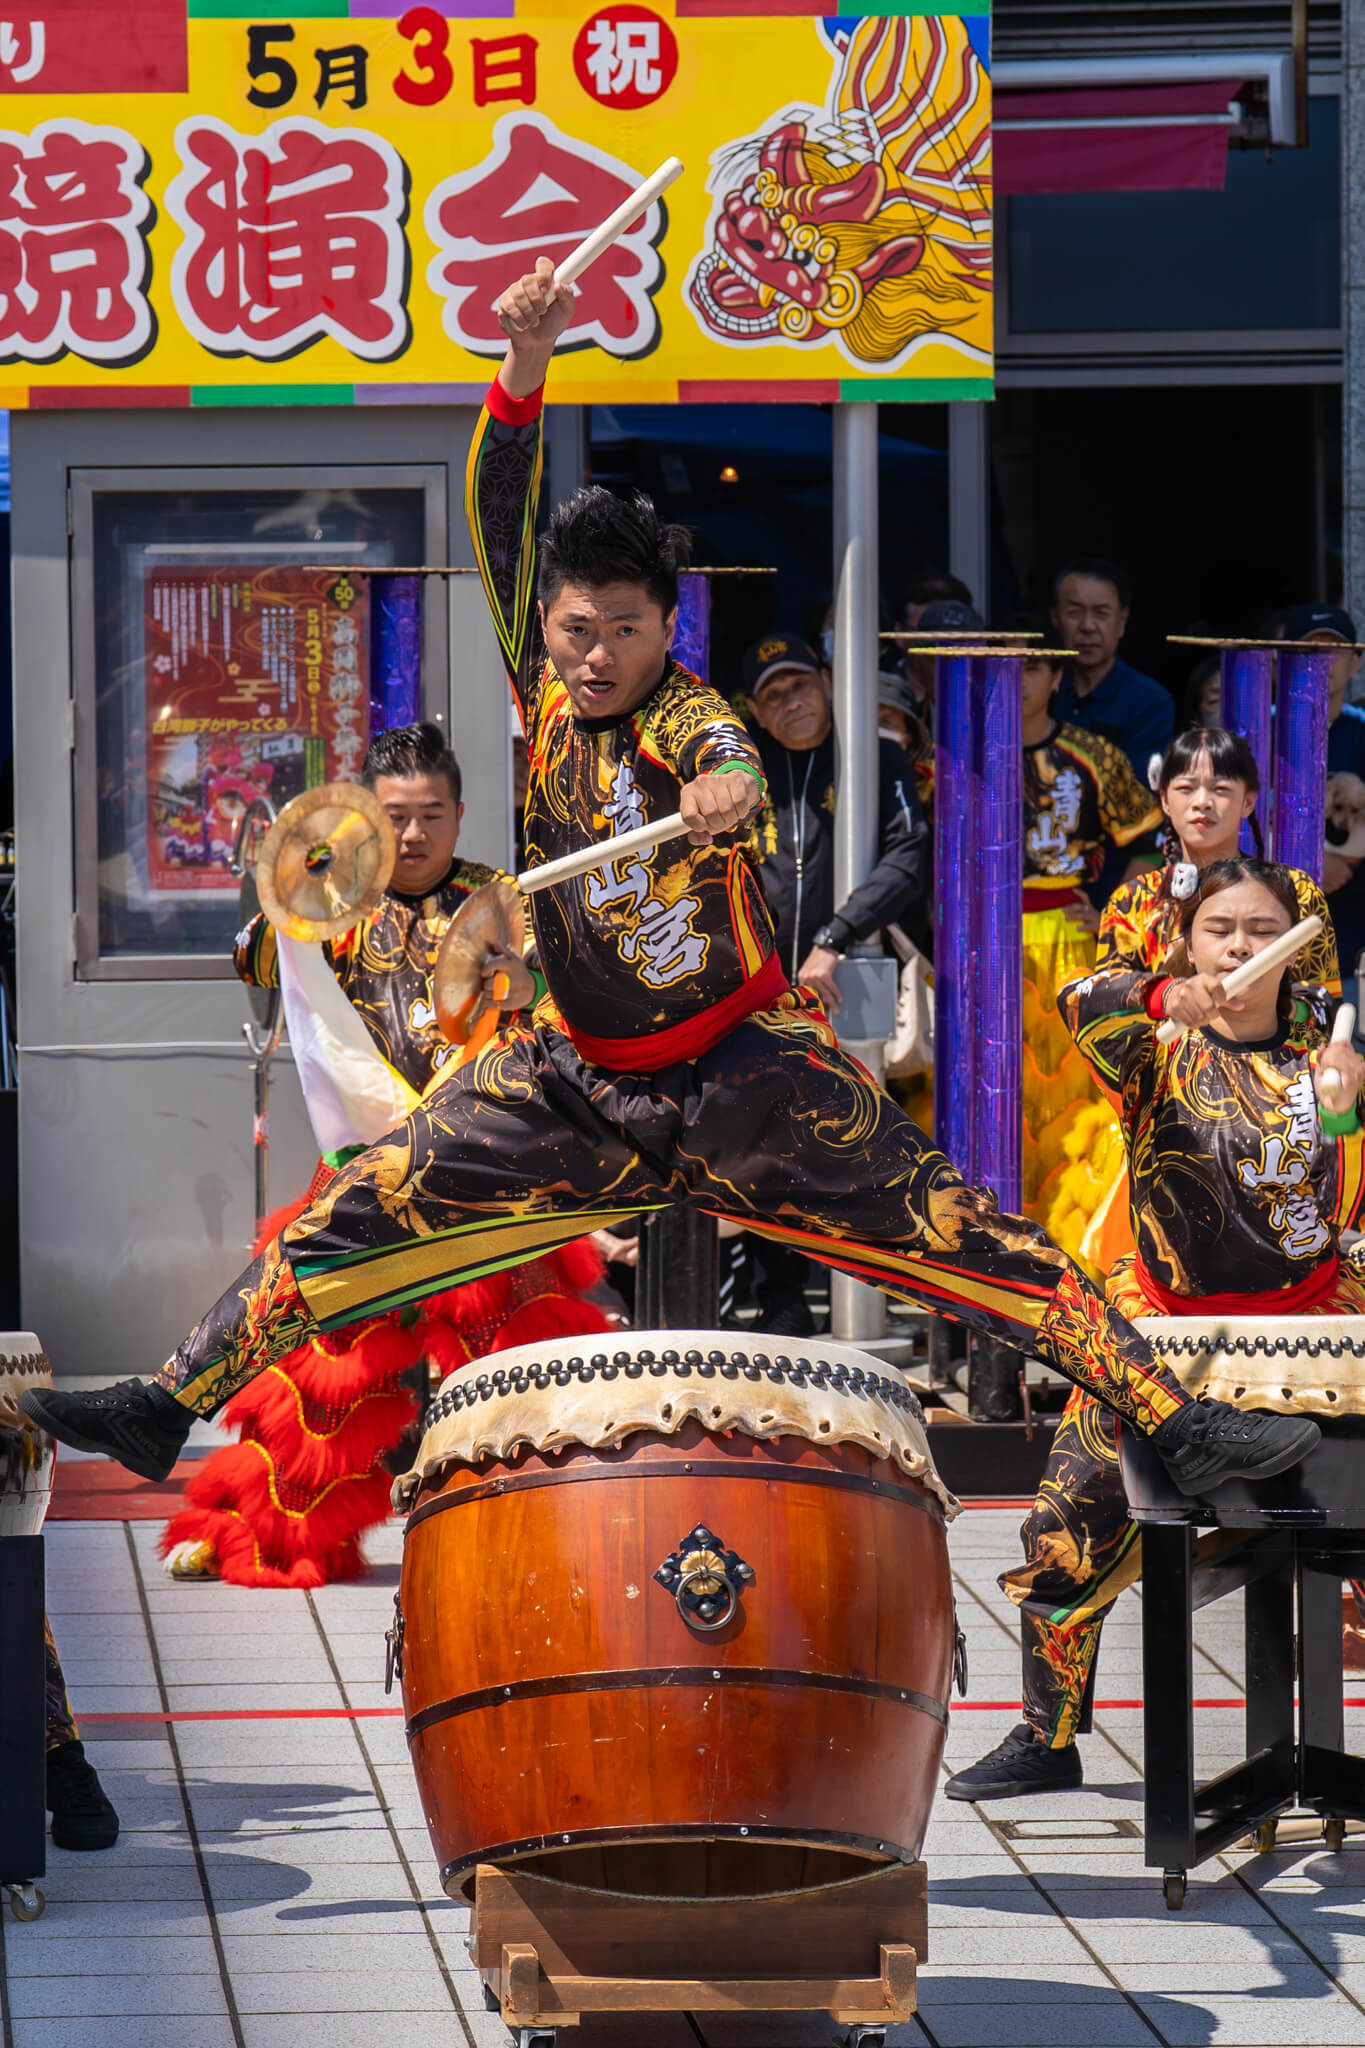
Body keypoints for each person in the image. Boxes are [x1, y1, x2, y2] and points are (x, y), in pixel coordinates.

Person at [23, 257, 1320, 1527]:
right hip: (571, 1074)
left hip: (752, 1075)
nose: (595, 657)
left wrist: (725, 795)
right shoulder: (549, 687)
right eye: (577, 632)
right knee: (360, 1212)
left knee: (973, 1239)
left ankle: (1175, 1419)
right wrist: (524, 367)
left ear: (663, 631)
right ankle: (167, 1396)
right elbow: (500, 495)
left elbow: (722, 765)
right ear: (549, 629)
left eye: (623, 634)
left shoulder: (693, 715)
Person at [946, 859, 1363, 1799]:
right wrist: (1171, 991)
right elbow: (1081, 995)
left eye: (1261, 930)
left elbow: (1347, 1187)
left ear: (1295, 948)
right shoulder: (1152, 1048)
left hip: (1308, 1329)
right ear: (1188, 940)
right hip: (1165, 1337)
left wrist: (1345, 1101)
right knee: (1060, 1524)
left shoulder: (1327, 1051)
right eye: (1220, 929)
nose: (1243, 947)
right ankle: (1044, 1738)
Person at [161, 722, 611, 1587]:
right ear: (369, 815)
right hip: (366, 1172)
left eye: (431, 815)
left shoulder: (505, 900)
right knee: (315, 1367)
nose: (412, 835)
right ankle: (255, 1533)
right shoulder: (335, 900)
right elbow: (252, 958)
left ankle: (556, 1524)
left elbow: (560, 1012)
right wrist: (292, 875)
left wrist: (526, 984)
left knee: (525, 1353)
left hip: (488, 1173)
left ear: (460, 814)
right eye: (395, 816)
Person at [1017, 645, 1160, 1264]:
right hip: (983, 940)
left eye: (1030, 668)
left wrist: (1107, 907)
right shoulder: (952, 756)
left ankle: (1074, 1253)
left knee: (1074, 1100)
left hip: (1067, 935)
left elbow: (1150, 839)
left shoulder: (1090, 753)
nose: (1016, 682)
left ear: (1055, 677)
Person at [741, 629, 929, 1011]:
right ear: (756, 711)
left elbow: (908, 857)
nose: (791, 702)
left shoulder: (877, 755)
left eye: (800, 685)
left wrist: (835, 936)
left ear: (826, 682)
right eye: (773, 695)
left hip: (849, 979)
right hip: (757, 990)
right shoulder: (742, 770)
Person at [1098, 727, 1339, 993]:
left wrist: (1274, 1009)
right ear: (1165, 800)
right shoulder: (1132, 903)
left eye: (1221, 789)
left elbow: (1324, 1008)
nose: (1202, 802)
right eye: (1186, 788)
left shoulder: (1296, 892)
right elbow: (1107, 1019)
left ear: (1248, 801)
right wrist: (1162, 994)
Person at [1281, 604, 1365, 977]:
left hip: (1355, 927)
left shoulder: (1362, 729)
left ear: (1356, 663)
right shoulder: (1259, 728)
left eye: (1333, 649)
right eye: (1309, 650)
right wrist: (1315, 866)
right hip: (1277, 927)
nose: (1322, 662)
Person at [1050, 558, 1174, 787]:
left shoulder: (1150, 703)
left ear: (1122, 621)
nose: (1087, 626)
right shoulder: (1038, 691)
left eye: (1101, 613)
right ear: (1055, 618)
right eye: (1075, 612)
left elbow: (1139, 796)